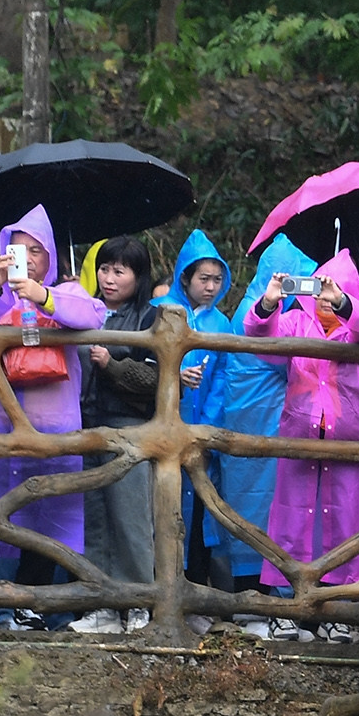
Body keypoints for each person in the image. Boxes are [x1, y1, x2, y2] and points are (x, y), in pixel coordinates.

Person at [0, 205, 108, 625]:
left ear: (50, 256)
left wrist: (45, 296)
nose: (28, 259)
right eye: (18, 250)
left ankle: (29, 605)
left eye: (36, 251)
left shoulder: (68, 293)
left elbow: (93, 315)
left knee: (47, 511)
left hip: (51, 426)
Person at [243, 247, 359, 640]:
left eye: (334, 293)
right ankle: (286, 608)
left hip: (353, 443)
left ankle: (341, 611)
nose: (324, 300)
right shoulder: (296, 321)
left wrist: (345, 305)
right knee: (292, 522)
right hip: (303, 440)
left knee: (349, 524)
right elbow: (259, 336)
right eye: (319, 292)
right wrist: (268, 303)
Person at [211, 236, 317, 631]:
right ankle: (256, 607)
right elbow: (291, 360)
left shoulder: (255, 308)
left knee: (263, 510)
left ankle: (267, 607)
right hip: (259, 425)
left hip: (257, 424)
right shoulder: (256, 313)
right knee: (258, 512)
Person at [71, 237, 160, 634]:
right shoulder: (83, 309)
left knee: (131, 519)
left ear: (138, 278)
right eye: (104, 269)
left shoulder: (151, 317)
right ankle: (101, 606)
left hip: (128, 426)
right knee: (95, 519)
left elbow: (155, 378)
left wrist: (112, 365)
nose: (108, 278)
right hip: (85, 422)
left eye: (119, 271)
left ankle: (138, 602)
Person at [155, 229, 232, 584]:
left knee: (199, 512)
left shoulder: (222, 324)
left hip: (201, 432)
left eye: (217, 279)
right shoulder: (160, 312)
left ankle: (197, 593)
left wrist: (208, 427)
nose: (211, 287)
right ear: (185, 276)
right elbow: (145, 364)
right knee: (162, 507)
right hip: (162, 428)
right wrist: (174, 373)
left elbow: (223, 379)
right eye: (204, 278)